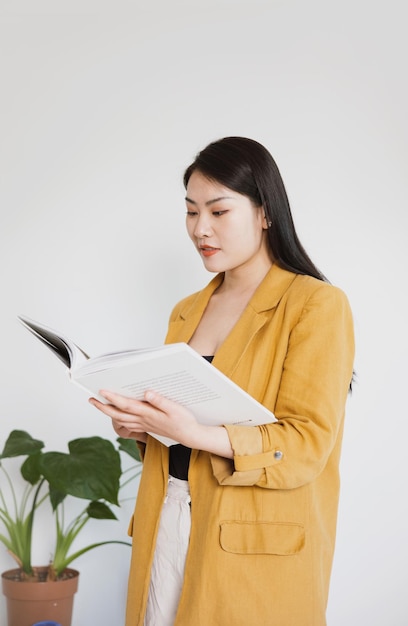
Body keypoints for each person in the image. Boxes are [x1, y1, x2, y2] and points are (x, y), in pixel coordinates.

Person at [89, 136, 355, 626]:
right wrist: (147, 430)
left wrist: (193, 433)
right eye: (191, 212)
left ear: (265, 212)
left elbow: (306, 444)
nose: (200, 229)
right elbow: (189, 431)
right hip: (167, 518)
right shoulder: (186, 310)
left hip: (250, 540)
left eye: (218, 211)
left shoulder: (316, 305)